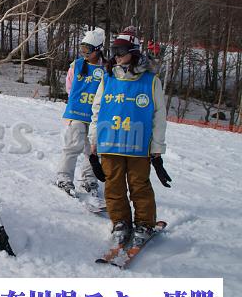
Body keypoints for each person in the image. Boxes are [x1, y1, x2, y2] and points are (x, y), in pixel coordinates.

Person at [88, 27, 172, 247]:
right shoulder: (108, 78)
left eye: (121, 51)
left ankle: (144, 223)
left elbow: (159, 117)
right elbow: (97, 110)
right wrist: (94, 143)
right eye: (114, 51)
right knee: (113, 186)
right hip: (110, 143)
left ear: (133, 52)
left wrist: (157, 149)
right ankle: (120, 222)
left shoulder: (151, 81)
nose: (116, 56)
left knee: (139, 186)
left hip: (138, 145)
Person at [56, 27, 107, 198]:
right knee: (73, 145)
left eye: (88, 50)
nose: (84, 53)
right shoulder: (76, 65)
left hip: (96, 116)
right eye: (82, 49)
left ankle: (89, 179)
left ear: (98, 49)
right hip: (77, 112)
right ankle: (64, 177)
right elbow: (69, 87)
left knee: (92, 148)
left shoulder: (106, 69)